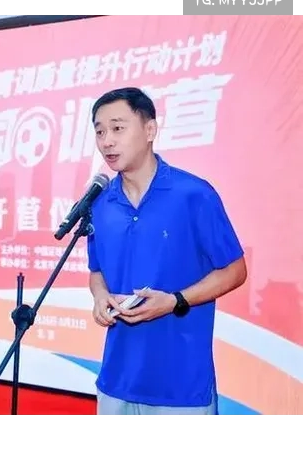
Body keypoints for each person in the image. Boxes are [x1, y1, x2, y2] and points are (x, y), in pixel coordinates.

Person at [87, 87, 247, 415]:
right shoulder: (100, 204)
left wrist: (175, 301)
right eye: (100, 132)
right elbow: (97, 271)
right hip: (116, 380)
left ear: (150, 130)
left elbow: (235, 270)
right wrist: (100, 296)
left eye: (117, 128)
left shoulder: (194, 195)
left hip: (181, 385)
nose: (107, 141)